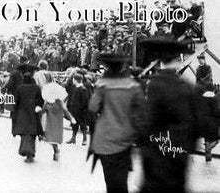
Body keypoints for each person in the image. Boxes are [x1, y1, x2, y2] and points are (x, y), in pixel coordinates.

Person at [138, 37, 197, 193]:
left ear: (160, 61)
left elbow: (149, 122)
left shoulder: (155, 85)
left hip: (158, 157)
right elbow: (196, 125)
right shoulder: (188, 87)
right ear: (177, 61)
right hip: (180, 156)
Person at [89, 53, 145, 193]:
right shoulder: (133, 86)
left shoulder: (102, 85)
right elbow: (141, 110)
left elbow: (92, 107)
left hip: (105, 138)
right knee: (122, 177)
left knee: (109, 178)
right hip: (125, 136)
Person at [12, 65, 44, 163]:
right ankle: (31, 152)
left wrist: (15, 114)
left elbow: (16, 102)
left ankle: (26, 153)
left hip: (22, 113)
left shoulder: (20, 88)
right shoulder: (36, 88)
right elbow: (41, 101)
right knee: (32, 133)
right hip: (33, 113)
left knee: (24, 134)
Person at [41, 72, 74, 161]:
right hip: (58, 111)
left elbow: (45, 100)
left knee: (50, 130)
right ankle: (56, 149)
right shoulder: (58, 87)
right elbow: (65, 96)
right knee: (55, 131)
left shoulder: (46, 87)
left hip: (49, 110)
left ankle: (55, 149)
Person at [197, 82, 220, 162]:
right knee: (216, 140)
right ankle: (208, 148)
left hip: (202, 122)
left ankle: (208, 158)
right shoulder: (214, 98)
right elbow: (216, 112)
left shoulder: (201, 98)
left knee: (207, 140)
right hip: (212, 123)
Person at [66, 73, 90, 146]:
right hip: (74, 110)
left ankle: (84, 139)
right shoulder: (75, 88)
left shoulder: (83, 89)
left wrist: (80, 108)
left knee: (83, 125)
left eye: (73, 79)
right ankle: (73, 138)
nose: (72, 81)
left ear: (76, 80)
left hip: (81, 111)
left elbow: (85, 101)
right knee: (74, 124)